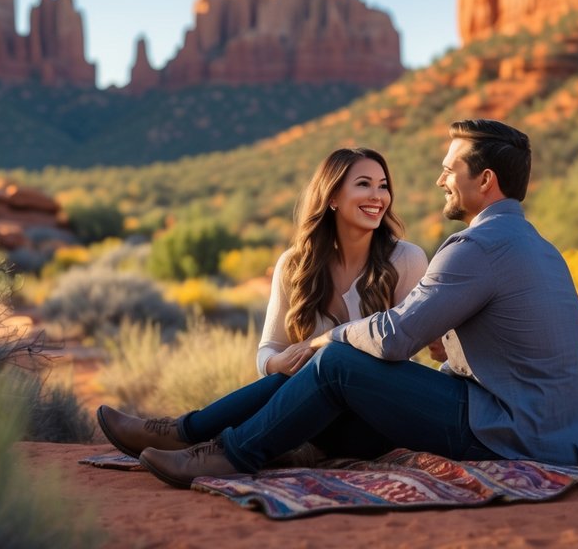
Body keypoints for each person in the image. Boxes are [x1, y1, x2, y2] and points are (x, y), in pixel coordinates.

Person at [135, 118, 578, 488]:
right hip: (557, 435)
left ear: (486, 179)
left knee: (336, 362)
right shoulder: (538, 246)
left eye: (450, 170)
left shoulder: (473, 247)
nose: (441, 180)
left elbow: (394, 339)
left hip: (510, 432)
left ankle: (227, 453)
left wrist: (326, 338)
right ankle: (189, 433)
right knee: (329, 376)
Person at [97, 146, 428, 458]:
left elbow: (400, 351)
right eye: (364, 184)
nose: (377, 196)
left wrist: (321, 350)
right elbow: (268, 350)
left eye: (383, 186)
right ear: (332, 198)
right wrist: (279, 363)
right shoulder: (295, 265)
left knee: (324, 365)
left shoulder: (405, 259)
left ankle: (183, 433)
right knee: (294, 376)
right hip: (316, 419)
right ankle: (193, 440)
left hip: (380, 423)